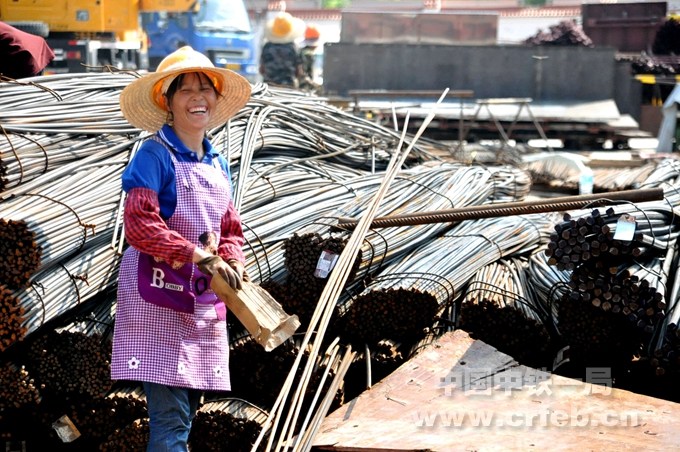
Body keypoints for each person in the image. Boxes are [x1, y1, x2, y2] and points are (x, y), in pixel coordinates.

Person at [111, 45, 251, 451]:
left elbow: (230, 227)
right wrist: (198, 255)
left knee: (186, 416)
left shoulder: (217, 162)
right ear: (167, 102)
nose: (197, 97)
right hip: (158, 298)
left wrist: (233, 260)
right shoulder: (153, 154)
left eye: (205, 89)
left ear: (216, 98)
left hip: (202, 301)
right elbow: (140, 225)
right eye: (185, 89)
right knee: (171, 421)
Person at [259, 11, 304, 87]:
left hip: (269, 86)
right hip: (288, 86)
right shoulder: (293, 48)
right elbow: (299, 72)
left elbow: (261, 70)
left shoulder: (267, 47)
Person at [298, 23, 321, 91]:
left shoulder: (300, 51)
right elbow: (304, 75)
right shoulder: (308, 55)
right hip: (304, 88)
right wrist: (315, 85)